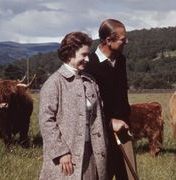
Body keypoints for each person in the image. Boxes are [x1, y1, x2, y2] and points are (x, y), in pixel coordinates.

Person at [39, 32, 108, 180]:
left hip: (91, 154)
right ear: (70, 53)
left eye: (88, 54)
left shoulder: (90, 81)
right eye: (83, 55)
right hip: (66, 158)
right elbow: (46, 121)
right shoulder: (53, 83)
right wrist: (61, 152)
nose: (87, 59)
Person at [85, 19, 137, 180]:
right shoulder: (89, 65)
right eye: (123, 39)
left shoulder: (121, 60)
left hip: (123, 130)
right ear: (108, 40)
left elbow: (122, 95)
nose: (126, 42)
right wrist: (109, 122)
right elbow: (88, 106)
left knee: (128, 176)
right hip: (100, 135)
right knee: (102, 175)